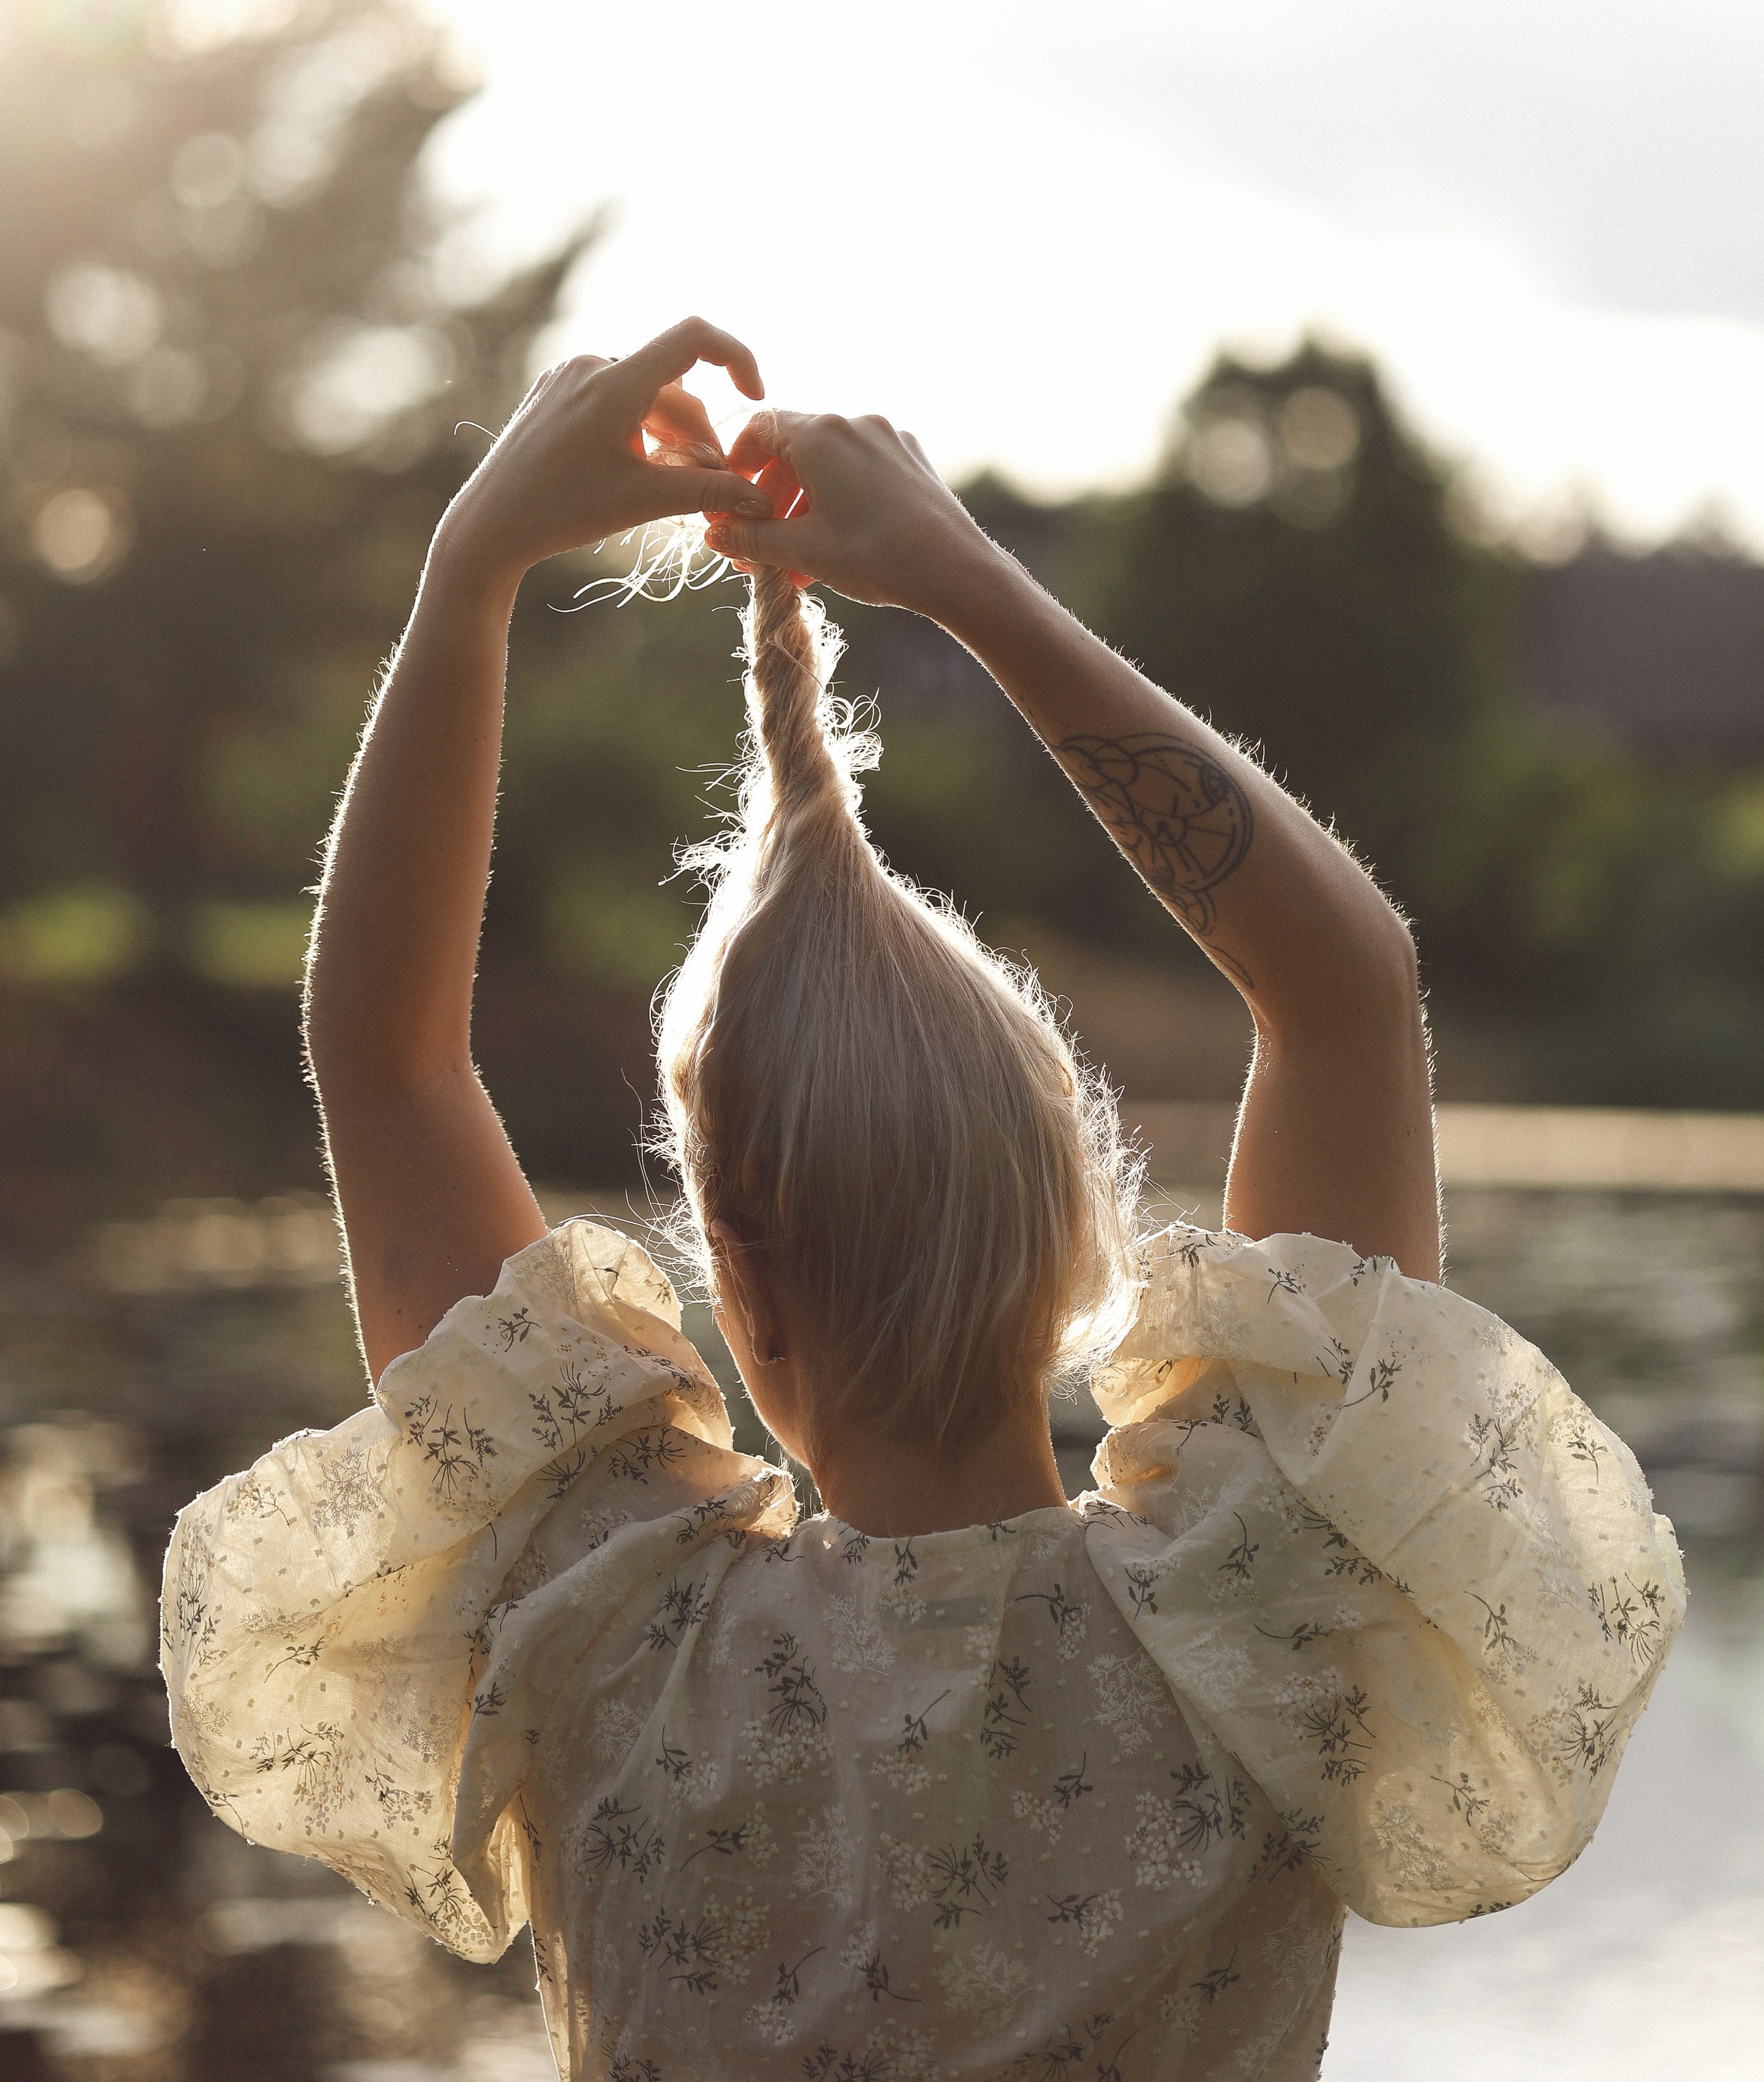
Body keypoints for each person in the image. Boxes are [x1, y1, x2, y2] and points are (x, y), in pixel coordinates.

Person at [162, 320, 1683, 2081]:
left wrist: (470, 574)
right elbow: (1342, 990)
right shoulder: (1259, 1607)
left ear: (739, 1278)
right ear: (1070, 1239)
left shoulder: (595, 1628)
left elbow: (386, 1061)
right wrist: (969, 583)